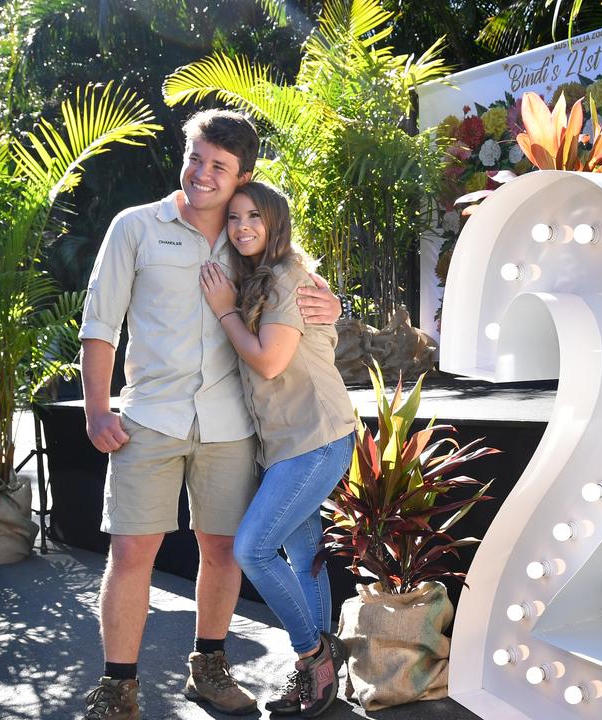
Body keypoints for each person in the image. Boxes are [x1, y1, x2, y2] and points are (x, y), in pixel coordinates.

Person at [79, 110, 342, 720]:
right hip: (149, 419)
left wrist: (334, 301)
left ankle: (210, 667)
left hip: (232, 426)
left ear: (242, 175)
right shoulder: (135, 227)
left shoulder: (251, 236)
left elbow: (298, 290)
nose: (202, 174)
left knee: (223, 552)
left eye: (219, 167)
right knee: (132, 553)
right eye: (195, 157)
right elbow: (100, 324)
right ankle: (119, 687)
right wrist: (96, 410)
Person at [199, 181, 356, 717]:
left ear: (275, 225)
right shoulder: (258, 279)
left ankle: (312, 654)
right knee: (304, 552)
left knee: (254, 549)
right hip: (289, 442)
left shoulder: (287, 276)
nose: (243, 227)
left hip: (316, 437)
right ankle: (324, 674)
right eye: (235, 218)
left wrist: (224, 312)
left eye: (255, 218)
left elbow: (269, 361)